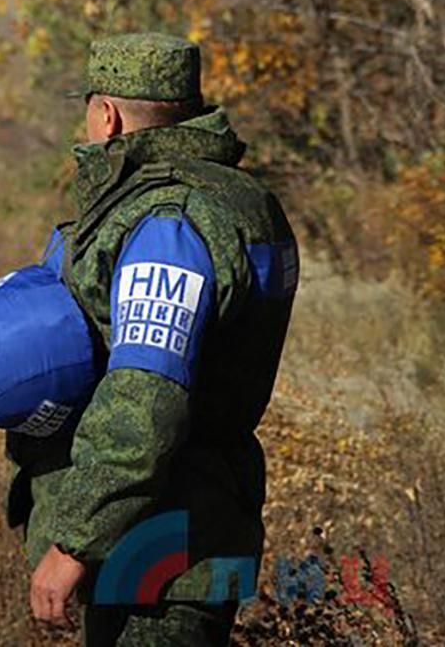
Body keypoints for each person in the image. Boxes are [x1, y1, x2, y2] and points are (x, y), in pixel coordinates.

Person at [19, 33, 300, 645]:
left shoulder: (166, 223)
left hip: (159, 550)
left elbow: (144, 401)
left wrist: (74, 540)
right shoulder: (239, 199)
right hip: (203, 523)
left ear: (107, 114)